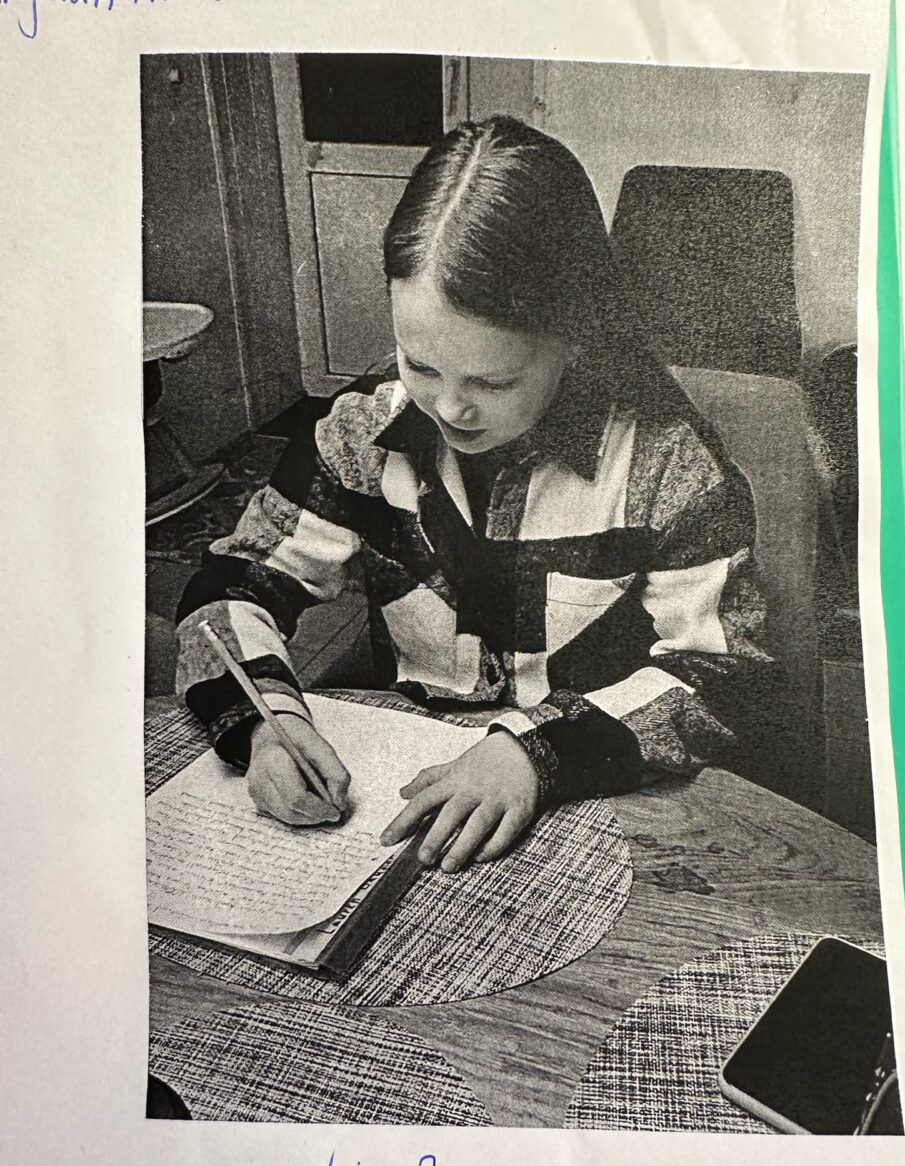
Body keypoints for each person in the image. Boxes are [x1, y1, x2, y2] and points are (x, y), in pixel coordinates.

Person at [175, 114, 775, 874]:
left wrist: (535, 754)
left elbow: (729, 676)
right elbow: (231, 588)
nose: (449, 409)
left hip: (599, 790)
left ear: (576, 336)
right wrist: (265, 721)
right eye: (421, 364)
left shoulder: (667, 463)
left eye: (493, 381)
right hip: (410, 786)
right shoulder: (362, 432)